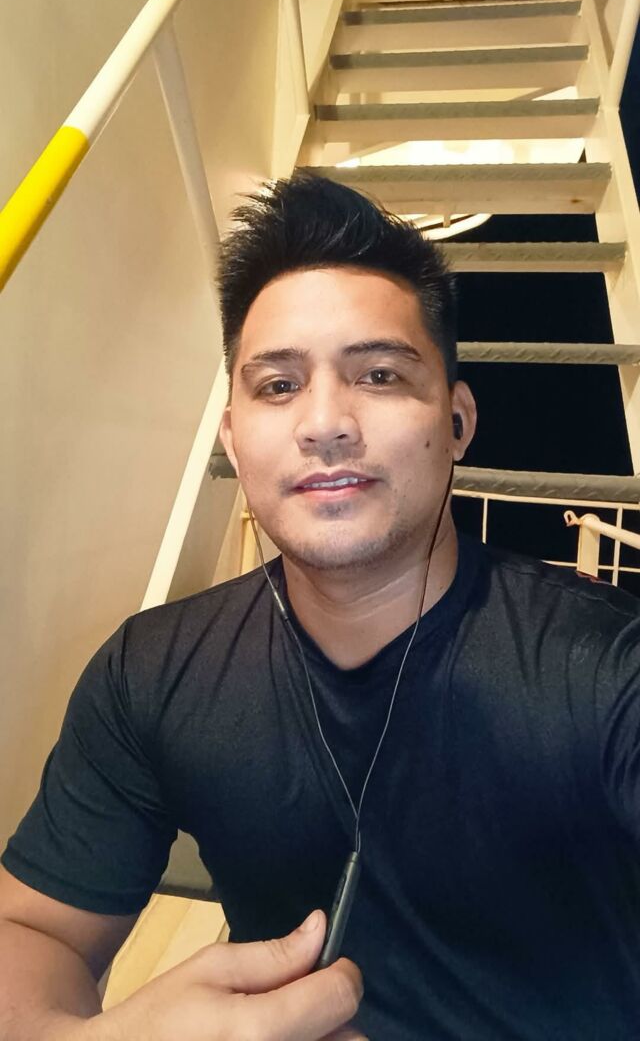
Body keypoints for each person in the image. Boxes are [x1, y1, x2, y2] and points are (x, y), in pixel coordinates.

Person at [1, 171, 639, 1041]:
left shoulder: (606, 669)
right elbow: (34, 929)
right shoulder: (150, 674)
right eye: (277, 386)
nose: (325, 423)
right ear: (233, 439)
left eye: (379, 374)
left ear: (457, 422)